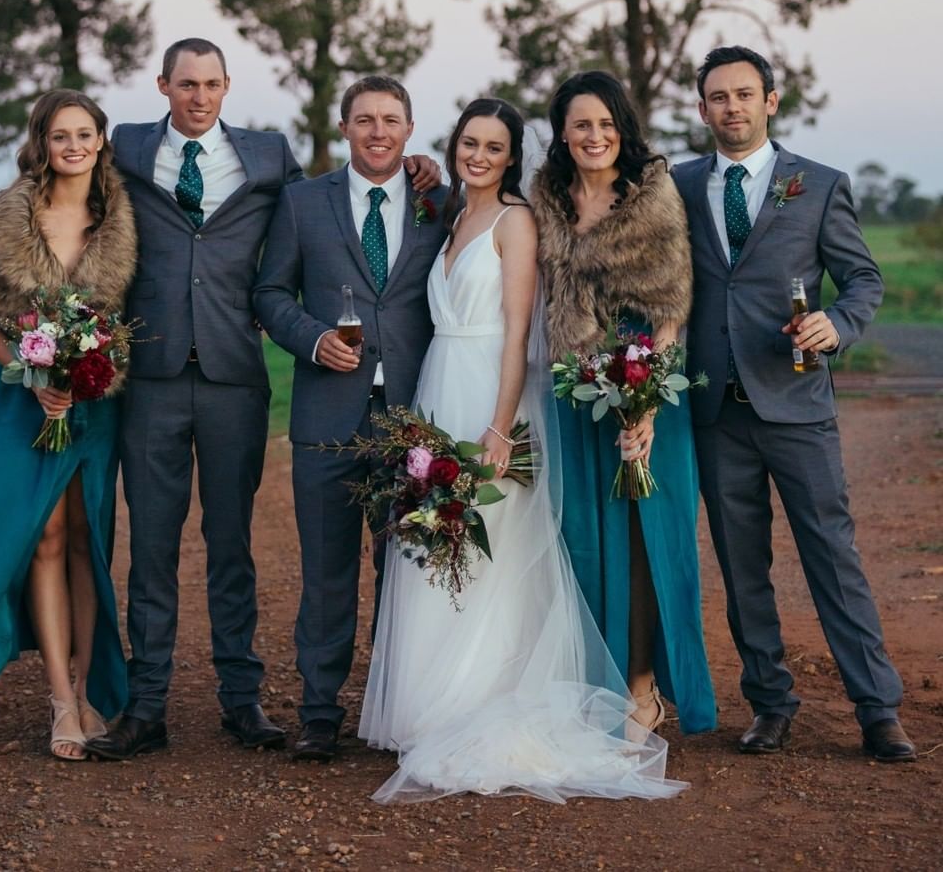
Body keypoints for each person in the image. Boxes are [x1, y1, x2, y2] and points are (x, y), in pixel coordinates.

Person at [0, 43, 440, 759]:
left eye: (211, 84)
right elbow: (52, 175)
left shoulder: (271, 158)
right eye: (186, 84)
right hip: (147, 376)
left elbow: (333, 212)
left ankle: (241, 702)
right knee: (151, 545)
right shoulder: (127, 147)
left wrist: (420, 166)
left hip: (235, 378)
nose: (199, 96)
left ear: (227, 87)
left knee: (233, 544)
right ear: (163, 86)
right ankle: (146, 707)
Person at [358, 98, 684, 803]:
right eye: (469, 143)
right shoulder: (449, 217)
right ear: (453, 150)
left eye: (494, 146)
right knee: (440, 543)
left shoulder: (516, 221)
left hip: (491, 396)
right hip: (440, 387)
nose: (479, 155)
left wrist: (501, 427)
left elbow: (516, 333)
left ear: (514, 158)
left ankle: (488, 699)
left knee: (493, 548)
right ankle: (430, 706)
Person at [672, 45, 915, 762]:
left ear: (770, 100)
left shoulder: (819, 183)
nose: (732, 107)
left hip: (799, 403)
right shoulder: (679, 187)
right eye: (718, 97)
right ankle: (770, 704)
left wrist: (838, 324)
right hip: (716, 410)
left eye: (744, 94)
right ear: (702, 108)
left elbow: (862, 280)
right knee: (741, 567)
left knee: (832, 558)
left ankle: (878, 709)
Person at [0, 91, 138, 760]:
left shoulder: (121, 217)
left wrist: (82, 377)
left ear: (102, 140)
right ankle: (61, 701)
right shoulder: (8, 215)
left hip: (96, 403)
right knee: (43, 537)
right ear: (42, 143)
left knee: (85, 538)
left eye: (84, 134)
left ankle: (86, 687)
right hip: (25, 403)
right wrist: (33, 371)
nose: (73, 146)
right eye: (59, 136)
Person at [253, 76, 449, 762]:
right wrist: (311, 337)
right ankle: (318, 711)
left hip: (414, 417)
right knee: (327, 570)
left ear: (409, 127)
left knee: (406, 569)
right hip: (327, 415)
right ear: (344, 128)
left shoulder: (439, 202)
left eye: (391, 120)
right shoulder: (303, 202)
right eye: (364, 120)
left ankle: (398, 706)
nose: (378, 132)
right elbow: (269, 289)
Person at [531, 72, 717, 736]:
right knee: (585, 538)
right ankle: (600, 686)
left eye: (607, 124)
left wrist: (646, 402)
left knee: (644, 542)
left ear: (624, 129)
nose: (595, 136)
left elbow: (669, 308)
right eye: (582, 124)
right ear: (561, 132)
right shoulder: (546, 197)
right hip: (574, 390)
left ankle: (644, 693)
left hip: (644, 385)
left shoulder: (652, 194)